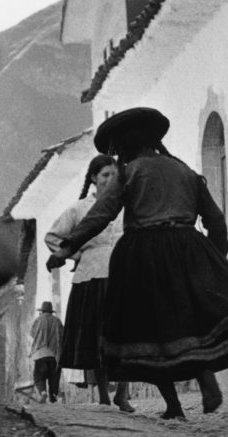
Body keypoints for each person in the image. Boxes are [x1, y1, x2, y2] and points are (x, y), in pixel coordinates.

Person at [46, 107, 228, 420]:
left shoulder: (129, 173)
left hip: (144, 254)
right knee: (191, 321)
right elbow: (215, 219)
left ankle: (174, 406)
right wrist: (215, 258)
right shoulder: (184, 171)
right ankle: (205, 374)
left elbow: (101, 214)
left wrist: (66, 247)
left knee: (149, 331)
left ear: (125, 145)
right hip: (188, 247)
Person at [46, 155, 135, 412]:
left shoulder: (127, 205)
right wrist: (78, 254)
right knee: (98, 337)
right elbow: (53, 237)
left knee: (126, 335)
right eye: (105, 175)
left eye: (114, 175)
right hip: (92, 275)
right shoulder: (79, 209)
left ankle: (122, 394)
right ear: (94, 178)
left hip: (124, 274)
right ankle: (104, 396)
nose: (110, 179)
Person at [30, 301, 63, 403]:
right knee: (54, 378)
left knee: (39, 377)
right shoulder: (57, 321)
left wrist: (42, 338)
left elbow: (32, 333)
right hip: (54, 355)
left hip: (40, 354)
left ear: (42, 311)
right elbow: (62, 335)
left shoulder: (38, 320)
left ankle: (43, 392)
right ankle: (53, 397)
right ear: (51, 311)